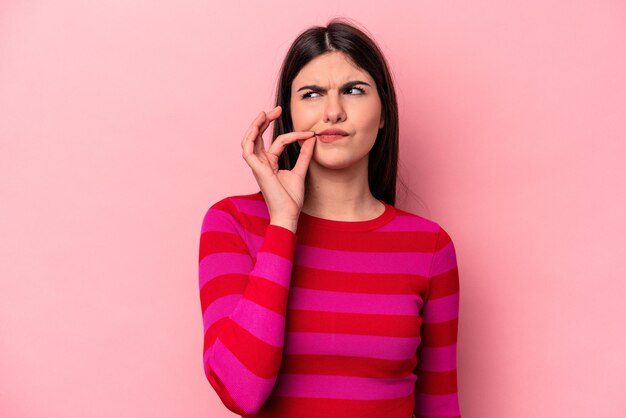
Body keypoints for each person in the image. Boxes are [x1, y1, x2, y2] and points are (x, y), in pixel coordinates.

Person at [198, 18, 461, 418]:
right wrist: (284, 223)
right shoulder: (233, 223)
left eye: (354, 90)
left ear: (384, 112)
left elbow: (441, 407)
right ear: (288, 116)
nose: (333, 112)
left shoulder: (430, 247)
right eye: (312, 93)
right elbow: (241, 391)